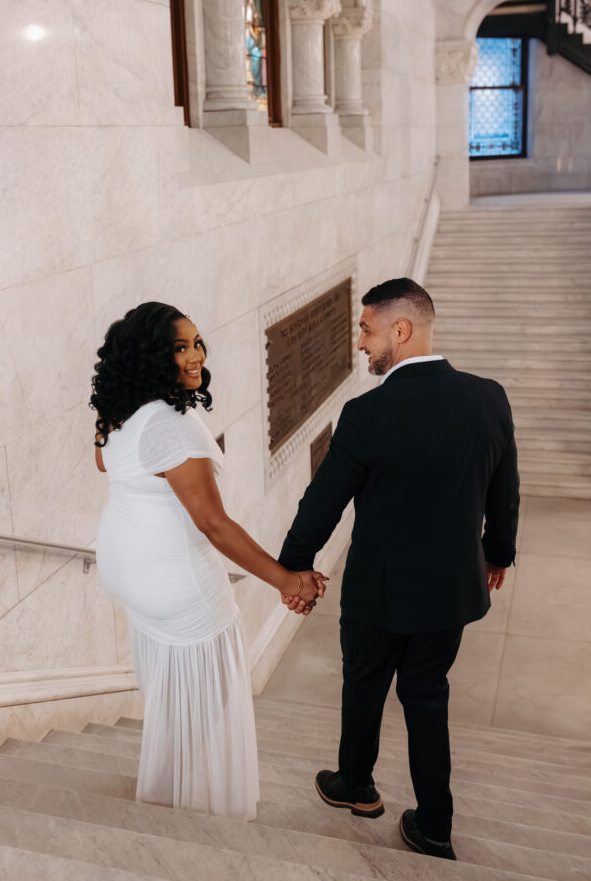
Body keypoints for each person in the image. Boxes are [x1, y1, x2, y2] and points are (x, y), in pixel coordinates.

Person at [278, 277, 519, 860]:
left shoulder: (366, 414)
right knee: (427, 696)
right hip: (449, 593)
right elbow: (505, 488)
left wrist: (293, 568)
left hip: (377, 595)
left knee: (364, 686)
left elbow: (323, 503)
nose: (360, 342)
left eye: (366, 328)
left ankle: (356, 786)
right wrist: (497, 553)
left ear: (400, 330)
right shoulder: (489, 397)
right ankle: (435, 827)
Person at [90, 301, 326, 821]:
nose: (195, 356)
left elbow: (108, 462)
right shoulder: (171, 426)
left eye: (196, 342)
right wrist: (288, 580)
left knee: (172, 700)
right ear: (153, 356)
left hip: (129, 570)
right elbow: (213, 524)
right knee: (211, 708)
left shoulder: (116, 411)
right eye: (179, 347)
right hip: (178, 584)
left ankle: (168, 788)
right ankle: (206, 809)